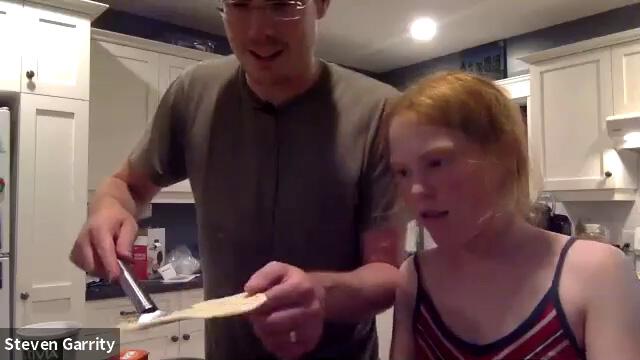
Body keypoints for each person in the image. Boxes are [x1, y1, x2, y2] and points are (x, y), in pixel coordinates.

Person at [70, 0, 402, 359]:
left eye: (282, 4)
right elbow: (127, 186)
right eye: (239, 5)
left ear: (320, 5)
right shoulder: (193, 92)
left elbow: (386, 274)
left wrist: (321, 293)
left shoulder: (380, 112)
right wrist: (106, 208)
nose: (258, 31)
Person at [387, 71, 640, 360]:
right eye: (402, 172)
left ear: (504, 156)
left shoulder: (597, 272)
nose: (416, 189)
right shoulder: (415, 278)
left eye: (436, 162)